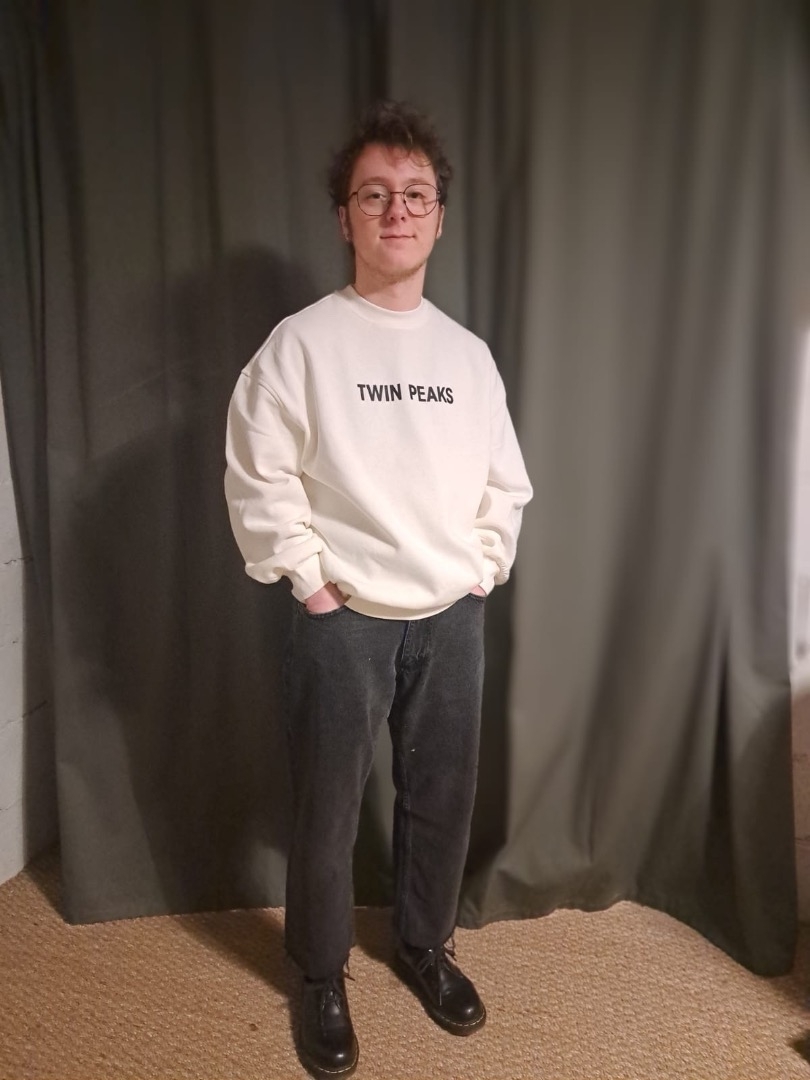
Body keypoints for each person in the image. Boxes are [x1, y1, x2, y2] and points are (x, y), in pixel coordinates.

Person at [224, 100, 532, 1080]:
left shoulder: (467, 357)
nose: (397, 210)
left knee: (442, 798)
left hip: (452, 616)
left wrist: (480, 569)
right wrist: (310, 582)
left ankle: (424, 945)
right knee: (327, 810)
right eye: (374, 195)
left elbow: (505, 483)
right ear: (344, 218)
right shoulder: (302, 344)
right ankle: (319, 974)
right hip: (343, 619)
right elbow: (258, 471)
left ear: (439, 218)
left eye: (415, 195)